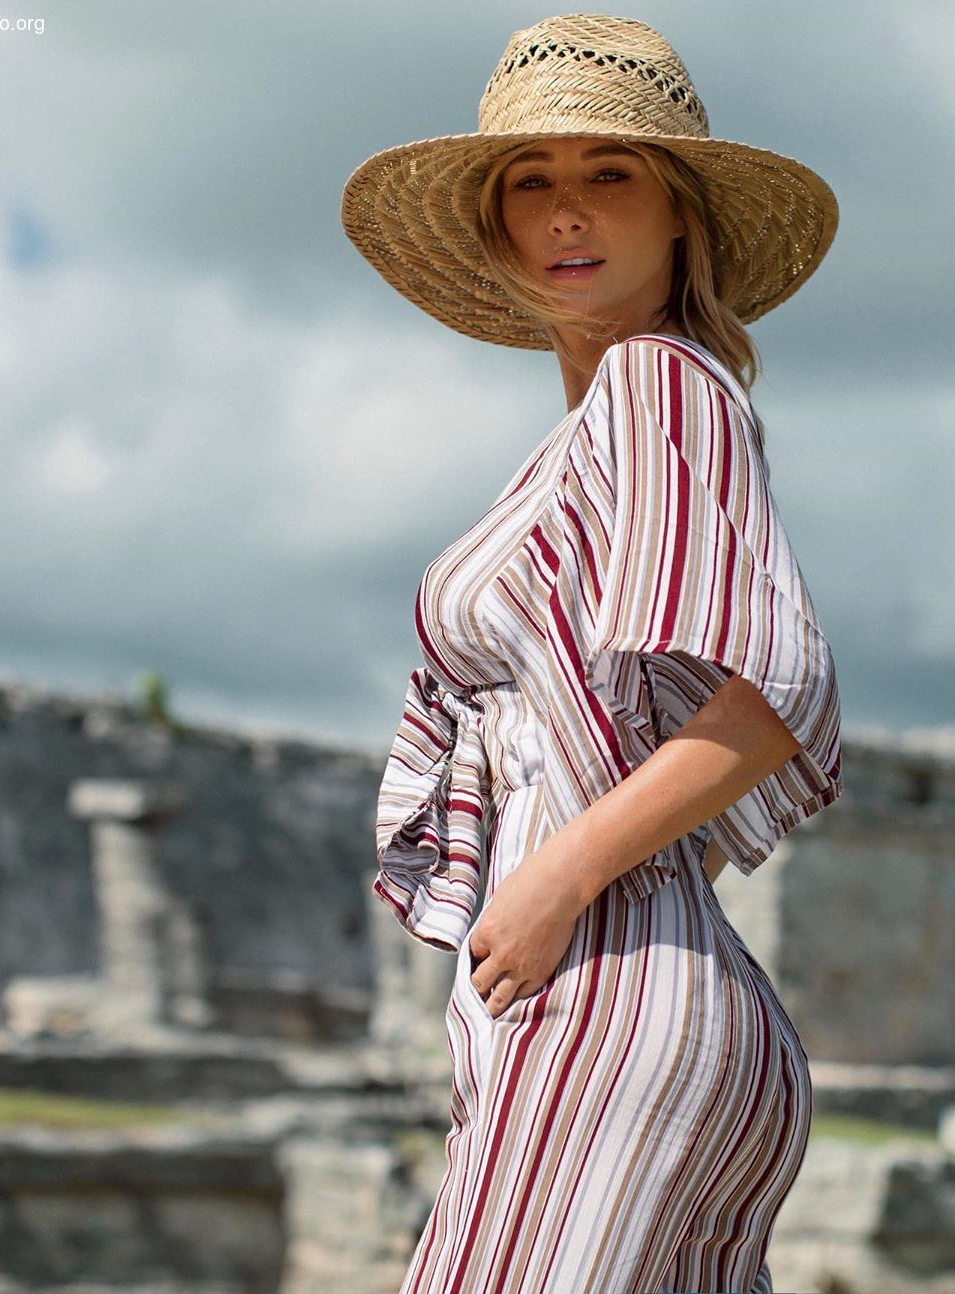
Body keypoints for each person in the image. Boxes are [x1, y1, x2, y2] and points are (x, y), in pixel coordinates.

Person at [341, 14, 843, 1293]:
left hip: (608, 992)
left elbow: (773, 698)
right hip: (625, 988)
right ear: (500, 226)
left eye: (608, 173)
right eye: (532, 181)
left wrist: (556, 878)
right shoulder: (585, 443)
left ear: (680, 214)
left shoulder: (658, 386)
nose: (568, 212)